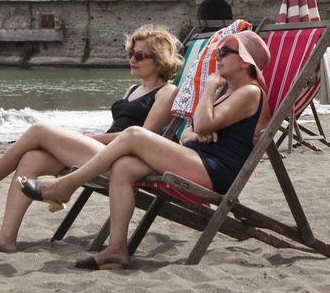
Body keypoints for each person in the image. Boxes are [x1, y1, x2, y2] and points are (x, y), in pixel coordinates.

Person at [15, 29, 270, 270]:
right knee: (124, 166)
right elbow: (190, 130)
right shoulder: (228, 92)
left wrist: (210, 89)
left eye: (224, 52)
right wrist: (197, 131)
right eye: (217, 52)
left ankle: (65, 186)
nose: (218, 57)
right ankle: (117, 249)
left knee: (134, 134)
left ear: (245, 61)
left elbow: (202, 123)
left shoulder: (250, 92)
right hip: (197, 157)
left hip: (215, 171)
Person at [0, 25, 184, 254]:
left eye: (139, 55)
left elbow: (146, 136)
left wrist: (95, 138)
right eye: (130, 53)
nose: (132, 59)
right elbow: (120, 128)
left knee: (39, 130)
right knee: (31, 158)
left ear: (160, 60)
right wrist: (94, 140)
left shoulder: (168, 91)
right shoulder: (133, 90)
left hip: (125, 161)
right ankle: (5, 238)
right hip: (105, 151)